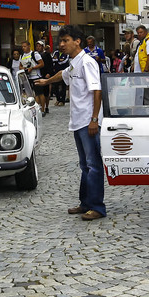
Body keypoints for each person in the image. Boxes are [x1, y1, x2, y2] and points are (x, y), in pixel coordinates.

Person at [34, 25, 105, 220]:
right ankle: (86, 203)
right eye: (61, 41)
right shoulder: (75, 62)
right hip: (78, 121)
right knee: (84, 165)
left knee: (93, 164)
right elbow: (63, 74)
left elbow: (97, 91)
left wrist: (94, 119)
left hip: (87, 121)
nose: (62, 45)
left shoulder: (88, 62)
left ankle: (98, 207)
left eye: (66, 41)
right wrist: (47, 82)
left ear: (77, 41)